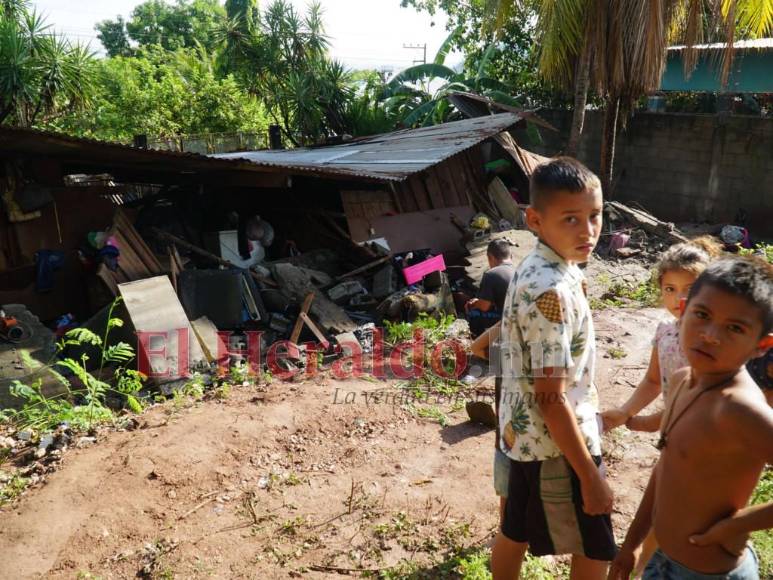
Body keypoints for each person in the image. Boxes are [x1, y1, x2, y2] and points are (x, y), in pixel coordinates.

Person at [609, 256, 773, 580]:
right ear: (683, 311)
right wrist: (630, 545)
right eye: (702, 315)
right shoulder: (684, 380)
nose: (711, 335)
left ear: (761, 345)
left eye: (735, 328)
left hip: (710, 573)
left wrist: (736, 525)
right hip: (662, 561)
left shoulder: (739, 409)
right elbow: (665, 469)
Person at [491, 157, 616, 580]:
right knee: (595, 550)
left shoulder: (538, 266)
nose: (587, 231)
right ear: (535, 220)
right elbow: (550, 396)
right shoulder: (553, 290)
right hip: (556, 446)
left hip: (524, 437)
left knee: (514, 531)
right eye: (571, 219)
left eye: (594, 216)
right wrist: (589, 476)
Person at [602, 236, 723, 433]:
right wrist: (624, 412)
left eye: (690, 289)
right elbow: (653, 381)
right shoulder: (665, 331)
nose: (679, 298)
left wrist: (650, 422)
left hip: (712, 436)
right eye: (670, 289)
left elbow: (701, 401)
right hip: (676, 432)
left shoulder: (715, 339)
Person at [465, 239, 516, 338]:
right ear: (511, 256)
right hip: (521, 318)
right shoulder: (518, 271)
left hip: (506, 321)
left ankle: (481, 346)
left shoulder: (491, 274)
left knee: (474, 313)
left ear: (490, 257)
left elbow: (484, 306)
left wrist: (474, 303)